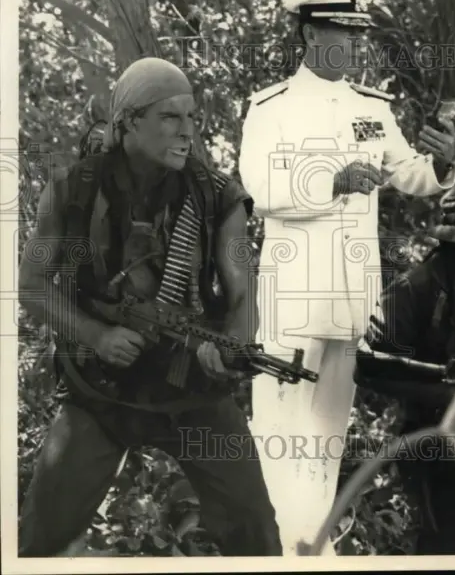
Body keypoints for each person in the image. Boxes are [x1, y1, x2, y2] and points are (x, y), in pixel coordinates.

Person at [18, 57, 282, 557]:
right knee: (40, 542)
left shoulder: (217, 196)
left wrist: (231, 350)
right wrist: (96, 335)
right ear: (129, 122)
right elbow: (31, 284)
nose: (188, 132)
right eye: (170, 117)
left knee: (256, 532)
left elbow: (244, 290)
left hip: (192, 389)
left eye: (192, 118)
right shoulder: (71, 190)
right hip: (100, 389)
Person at [238, 0, 455, 554]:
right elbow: (260, 190)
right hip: (294, 303)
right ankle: (285, 552)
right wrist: (329, 181)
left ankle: (313, 549)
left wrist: (441, 160)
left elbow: (409, 172)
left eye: (362, 35)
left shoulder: (371, 109)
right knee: (283, 438)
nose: (360, 45)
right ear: (312, 34)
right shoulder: (271, 107)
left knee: (328, 437)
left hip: (349, 303)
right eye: (346, 34)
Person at [355, 179, 455, 555]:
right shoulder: (417, 287)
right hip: (434, 440)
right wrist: (449, 389)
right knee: (450, 543)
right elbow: (366, 364)